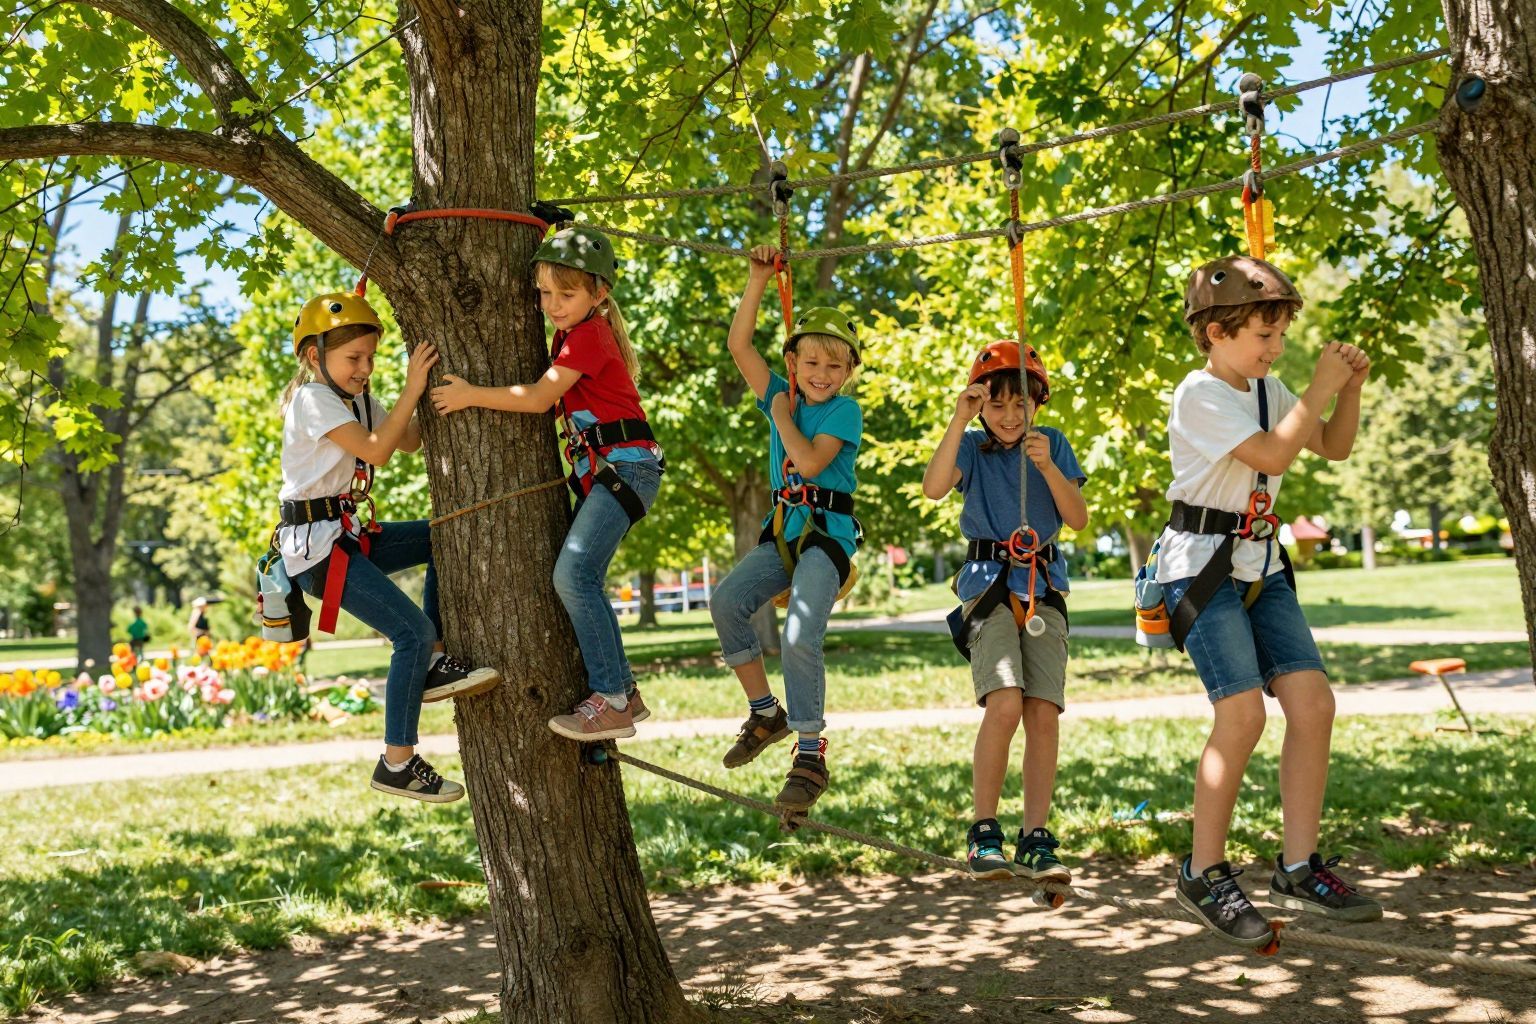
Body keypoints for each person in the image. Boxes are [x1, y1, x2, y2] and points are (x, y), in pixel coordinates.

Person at [1159, 255, 1381, 944]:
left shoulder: (1268, 386)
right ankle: (1202, 873)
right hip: (1200, 569)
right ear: (1215, 333)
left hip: (1262, 564)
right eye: (1264, 335)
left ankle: (1298, 864)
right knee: (1243, 715)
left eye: (1281, 335)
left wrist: (1348, 393)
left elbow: (1331, 448)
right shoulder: (1200, 394)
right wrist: (1317, 386)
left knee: (1315, 704)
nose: (1275, 348)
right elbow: (1273, 457)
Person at [429, 226, 662, 742]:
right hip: (615, 471)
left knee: (574, 576)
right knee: (583, 577)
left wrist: (470, 395)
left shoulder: (588, 335)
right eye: (544, 292)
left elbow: (538, 398)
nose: (552, 304)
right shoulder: (573, 333)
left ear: (599, 294)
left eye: (567, 293)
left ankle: (613, 701)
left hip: (626, 470)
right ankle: (624, 689)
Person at [280, 290, 499, 804]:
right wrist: (411, 385)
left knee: (446, 536)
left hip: (346, 537)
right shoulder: (313, 400)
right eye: (353, 358)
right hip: (318, 554)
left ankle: (435, 659)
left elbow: (410, 438)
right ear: (316, 356)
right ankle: (395, 761)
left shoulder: (356, 399)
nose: (364, 368)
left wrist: (464, 397)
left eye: (371, 357)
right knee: (411, 632)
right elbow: (378, 447)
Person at [707, 244, 863, 817]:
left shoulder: (842, 412)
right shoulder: (781, 387)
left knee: (799, 634)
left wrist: (778, 412)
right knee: (725, 601)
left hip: (826, 538)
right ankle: (764, 711)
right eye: (811, 364)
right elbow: (739, 346)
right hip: (782, 532)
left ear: (847, 372)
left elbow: (810, 462)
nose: (822, 375)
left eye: (834, 366)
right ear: (793, 364)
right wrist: (756, 280)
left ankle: (810, 749)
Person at [922, 341, 1087, 881]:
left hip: (1043, 587)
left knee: (1043, 711)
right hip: (988, 586)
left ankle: (1036, 836)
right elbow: (933, 488)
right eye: (997, 405)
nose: (1011, 416)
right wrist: (957, 418)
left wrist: (1048, 469)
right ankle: (984, 830)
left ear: (1038, 402)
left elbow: (1077, 518)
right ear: (980, 404)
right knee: (1007, 701)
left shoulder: (1053, 444)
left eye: (1021, 404)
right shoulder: (969, 446)